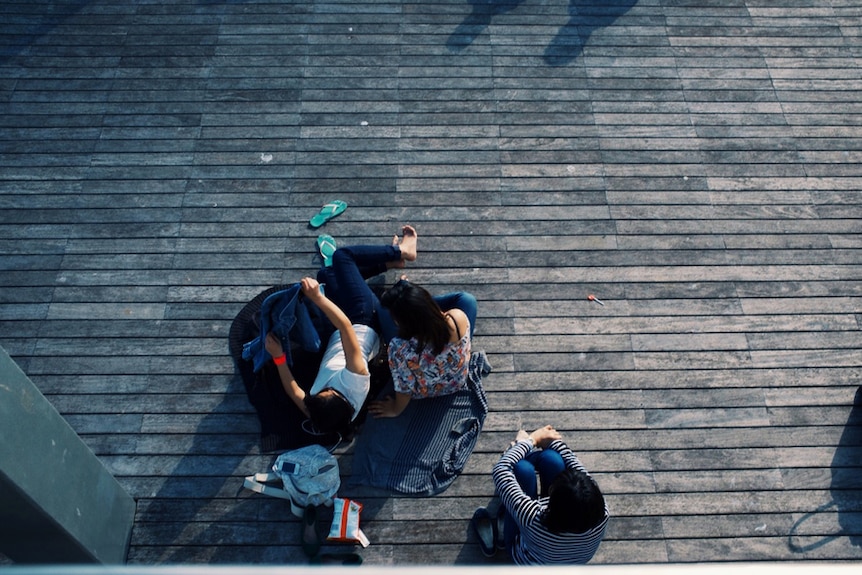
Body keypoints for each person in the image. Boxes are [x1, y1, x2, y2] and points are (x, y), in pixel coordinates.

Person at [264, 226, 418, 435]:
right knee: (342, 257)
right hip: (363, 319)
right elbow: (345, 327)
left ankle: (390, 263)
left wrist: (279, 357)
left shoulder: (320, 413)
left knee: (326, 274)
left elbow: (295, 392)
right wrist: (318, 299)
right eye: (329, 391)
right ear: (341, 399)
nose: (323, 390)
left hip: (340, 328)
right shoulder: (355, 379)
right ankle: (403, 251)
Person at [473, 424, 609, 564]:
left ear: (553, 503)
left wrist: (530, 441)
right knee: (552, 459)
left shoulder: (532, 517)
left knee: (522, 469)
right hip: (566, 562)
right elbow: (578, 469)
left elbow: (501, 470)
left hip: (526, 559)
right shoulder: (602, 512)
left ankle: (506, 528)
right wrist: (553, 443)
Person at [366, 279, 477, 418]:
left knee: (382, 307)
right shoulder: (456, 317)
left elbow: (404, 388)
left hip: (426, 390)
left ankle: (406, 298)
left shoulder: (400, 348)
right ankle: (413, 299)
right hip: (456, 381)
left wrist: (396, 409)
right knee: (467, 299)